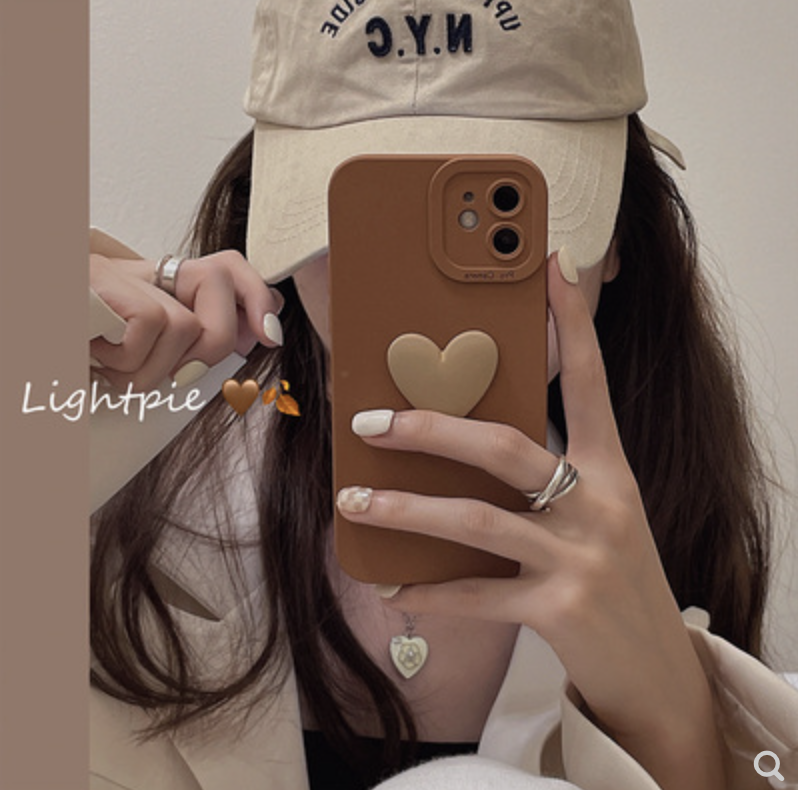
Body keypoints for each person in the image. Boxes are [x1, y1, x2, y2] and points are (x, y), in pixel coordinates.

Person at [88, 1, 798, 789]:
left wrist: (672, 714)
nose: (424, 280)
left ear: (619, 232)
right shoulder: (127, 473)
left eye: (499, 219)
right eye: (369, 218)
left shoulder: (680, 513)